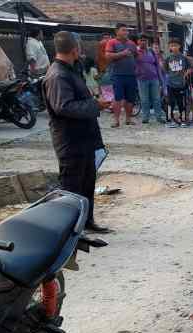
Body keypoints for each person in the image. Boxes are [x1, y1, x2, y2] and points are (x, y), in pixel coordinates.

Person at [43, 31, 111, 234]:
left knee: (87, 182)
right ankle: (70, 232)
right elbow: (63, 107)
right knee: (72, 187)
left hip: (84, 137)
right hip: (70, 140)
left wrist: (93, 102)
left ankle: (87, 222)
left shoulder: (72, 69)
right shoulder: (58, 75)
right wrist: (95, 105)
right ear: (75, 49)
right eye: (79, 48)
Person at [105, 23, 138, 128]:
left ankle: (128, 119)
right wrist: (122, 54)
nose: (126, 32)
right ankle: (116, 120)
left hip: (131, 75)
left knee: (130, 98)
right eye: (123, 30)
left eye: (126, 30)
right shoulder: (112, 42)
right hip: (118, 75)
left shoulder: (132, 43)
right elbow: (108, 56)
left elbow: (136, 56)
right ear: (117, 31)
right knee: (118, 98)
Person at [135, 36, 165, 124]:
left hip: (154, 79)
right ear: (138, 41)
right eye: (141, 40)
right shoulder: (135, 52)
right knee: (144, 99)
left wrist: (160, 79)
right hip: (141, 79)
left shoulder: (151, 51)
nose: (143, 42)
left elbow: (157, 65)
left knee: (157, 99)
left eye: (145, 40)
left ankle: (159, 117)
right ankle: (145, 117)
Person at [164, 37, 190, 128]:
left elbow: (190, 68)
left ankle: (182, 120)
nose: (173, 47)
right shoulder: (168, 58)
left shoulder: (183, 58)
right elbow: (165, 69)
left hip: (181, 84)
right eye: (171, 46)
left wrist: (185, 74)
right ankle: (171, 120)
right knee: (171, 103)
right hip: (170, 84)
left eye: (175, 45)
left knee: (181, 103)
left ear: (179, 46)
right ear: (169, 47)